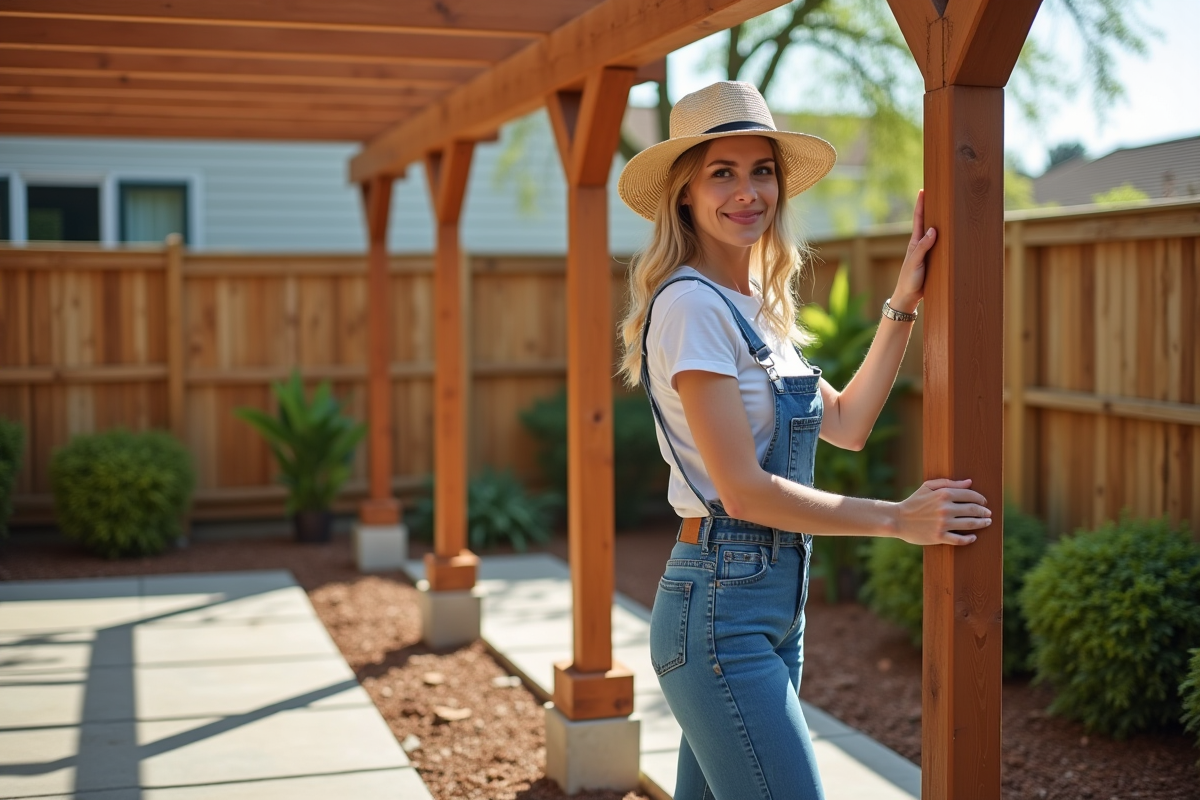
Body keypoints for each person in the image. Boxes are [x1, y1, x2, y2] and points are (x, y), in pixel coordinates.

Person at [615, 81, 993, 800]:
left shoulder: (754, 309)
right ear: (685, 194)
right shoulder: (693, 305)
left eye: (762, 171)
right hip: (719, 606)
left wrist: (901, 305)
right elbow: (744, 489)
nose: (747, 191)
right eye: (721, 173)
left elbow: (847, 424)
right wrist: (896, 518)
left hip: (771, 603)